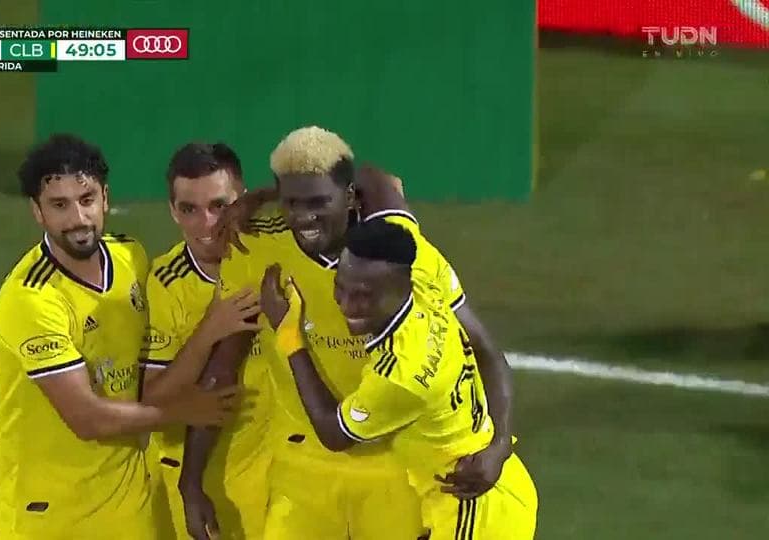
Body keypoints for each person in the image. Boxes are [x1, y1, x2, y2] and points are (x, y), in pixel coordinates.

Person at [0, 134, 240, 540]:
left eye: (86, 199)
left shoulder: (130, 258)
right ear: (37, 211)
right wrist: (181, 412)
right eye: (59, 205)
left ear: (105, 198)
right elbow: (87, 418)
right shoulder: (32, 299)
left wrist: (209, 333)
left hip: (130, 502)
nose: (78, 219)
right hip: (49, 512)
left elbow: (146, 378)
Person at [182, 126, 429, 540]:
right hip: (302, 469)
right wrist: (191, 482)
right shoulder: (254, 249)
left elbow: (378, 178)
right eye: (291, 203)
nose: (302, 217)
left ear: (349, 197)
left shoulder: (391, 248)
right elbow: (222, 371)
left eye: (318, 202)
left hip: (394, 464)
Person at [259, 218, 538, 539]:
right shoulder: (424, 275)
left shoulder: (401, 376)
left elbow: (333, 433)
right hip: (487, 483)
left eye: (363, 296)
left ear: (401, 286)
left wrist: (289, 335)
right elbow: (385, 191)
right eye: (340, 287)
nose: (346, 304)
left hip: (470, 508)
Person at [141, 142, 274, 539]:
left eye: (219, 206)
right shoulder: (164, 284)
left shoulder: (274, 255)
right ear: (172, 211)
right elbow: (153, 397)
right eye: (189, 210)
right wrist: (210, 330)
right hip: (195, 476)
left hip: (276, 467)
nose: (208, 224)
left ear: (242, 200)